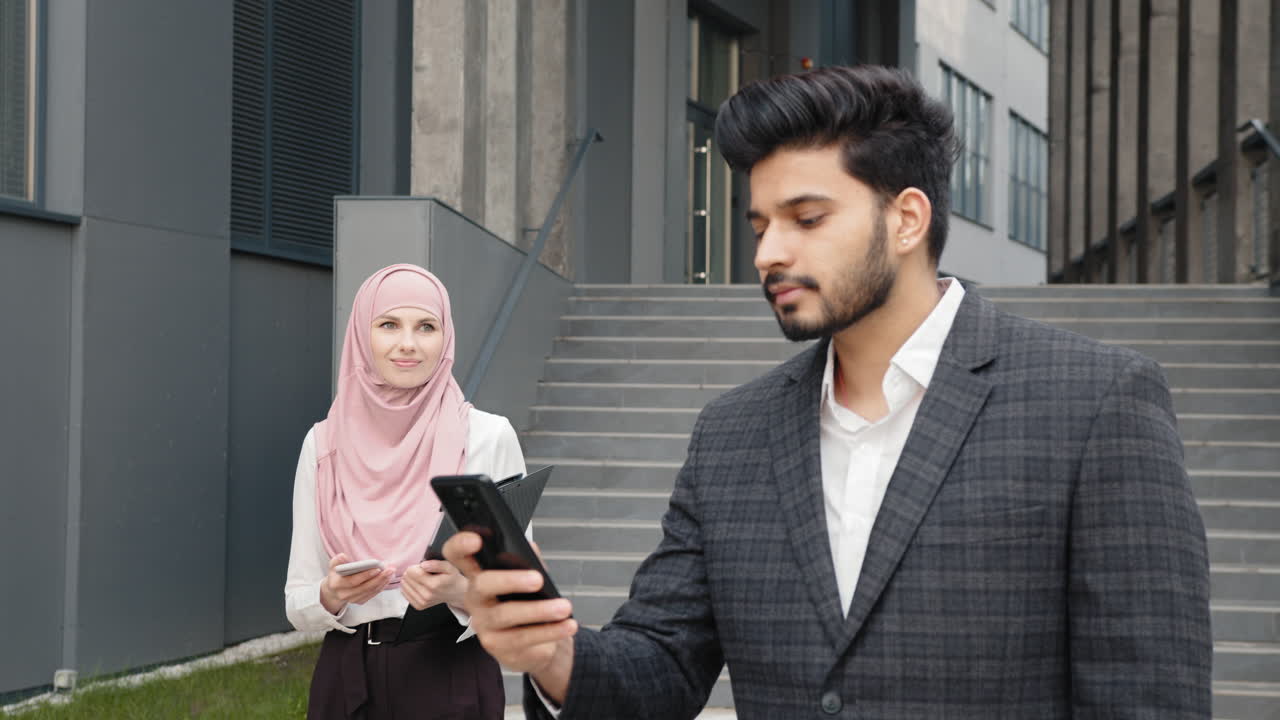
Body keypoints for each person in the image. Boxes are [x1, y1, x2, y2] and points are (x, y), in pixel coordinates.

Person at [444, 65, 1213, 719]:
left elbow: (1147, 697)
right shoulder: (732, 434)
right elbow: (662, 667)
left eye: (807, 219)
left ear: (906, 218)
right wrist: (552, 651)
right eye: (759, 225)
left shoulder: (1096, 402)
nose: (769, 253)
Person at [285, 263, 525, 719]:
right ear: (362, 334)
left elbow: (519, 592)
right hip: (347, 674)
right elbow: (297, 598)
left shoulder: (488, 438)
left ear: (446, 337)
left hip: (450, 671)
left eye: (426, 326)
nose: (408, 344)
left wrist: (460, 591)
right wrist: (333, 594)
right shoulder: (322, 444)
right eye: (389, 324)